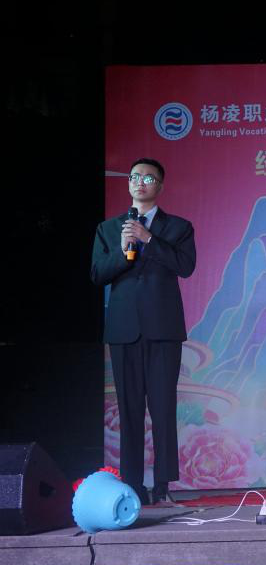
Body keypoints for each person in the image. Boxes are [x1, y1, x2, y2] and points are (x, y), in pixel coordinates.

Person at [90, 158, 196, 506]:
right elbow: (98, 274)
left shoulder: (178, 227)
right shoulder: (109, 228)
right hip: (124, 331)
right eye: (134, 177)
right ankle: (133, 484)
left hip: (163, 329)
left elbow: (186, 266)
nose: (139, 182)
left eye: (148, 178)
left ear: (160, 186)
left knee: (163, 408)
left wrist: (149, 239)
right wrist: (124, 253)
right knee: (129, 409)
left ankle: (163, 484)